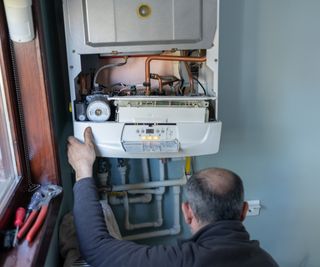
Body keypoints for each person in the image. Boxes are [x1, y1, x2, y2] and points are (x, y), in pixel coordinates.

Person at [67, 127, 278, 267]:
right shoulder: (268, 262)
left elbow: (95, 248)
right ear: (243, 211)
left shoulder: (180, 261)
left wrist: (83, 169)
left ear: (187, 212)